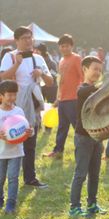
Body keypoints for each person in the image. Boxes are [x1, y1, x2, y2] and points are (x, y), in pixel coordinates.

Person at [0, 26, 53, 189]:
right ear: (16, 40)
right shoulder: (9, 56)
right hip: (12, 106)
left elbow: (50, 82)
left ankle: (30, 178)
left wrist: (41, 74)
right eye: (24, 38)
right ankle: (6, 180)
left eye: (30, 37)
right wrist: (17, 64)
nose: (29, 41)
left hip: (32, 106)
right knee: (9, 141)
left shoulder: (39, 58)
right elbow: (2, 77)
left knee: (30, 141)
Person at [69, 56, 106, 216]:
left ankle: (92, 204)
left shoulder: (97, 90)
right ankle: (74, 207)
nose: (98, 72)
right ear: (84, 69)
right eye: (94, 69)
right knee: (81, 173)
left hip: (97, 137)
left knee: (95, 174)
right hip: (83, 137)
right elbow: (85, 91)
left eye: (100, 69)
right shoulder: (83, 89)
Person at [43, 34, 83, 159]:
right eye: (62, 46)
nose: (64, 48)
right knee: (62, 127)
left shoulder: (76, 58)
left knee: (77, 127)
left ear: (72, 46)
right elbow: (61, 82)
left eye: (67, 46)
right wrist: (57, 98)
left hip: (74, 99)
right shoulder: (61, 61)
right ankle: (58, 151)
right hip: (63, 100)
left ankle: (87, 148)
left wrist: (81, 95)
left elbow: (82, 77)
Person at [0, 80, 33, 213]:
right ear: (1, 96)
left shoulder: (19, 110)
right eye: (9, 95)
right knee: (0, 178)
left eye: (15, 95)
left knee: (13, 178)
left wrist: (29, 132)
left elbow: (25, 128)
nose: (12, 98)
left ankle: (11, 204)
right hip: (1, 152)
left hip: (16, 152)